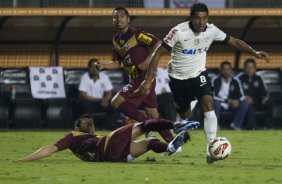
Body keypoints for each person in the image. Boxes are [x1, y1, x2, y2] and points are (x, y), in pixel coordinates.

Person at [138, 3, 270, 163]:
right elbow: (158, 53)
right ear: (191, 18)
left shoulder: (212, 30)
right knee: (184, 113)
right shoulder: (178, 31)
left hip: (199, 74)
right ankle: (181, 124)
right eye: (197, 18)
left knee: (208, 103)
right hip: (178, 79)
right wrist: (148, 79)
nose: (201, 22)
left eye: (204, 18)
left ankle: (210, 149)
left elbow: (234, 41)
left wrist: (254, 53)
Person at [95, 7, 175, 142]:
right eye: (115, 17)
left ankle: (146, 126)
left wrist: (147, 60)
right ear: (113, 20)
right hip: (135, 78)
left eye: (122, 16)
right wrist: (104, 66)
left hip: (144, 77)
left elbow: (159, 44)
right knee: (152, 113)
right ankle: (173, 142)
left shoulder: (137, 34)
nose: (118, 19)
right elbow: (118, 62)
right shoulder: (116, 40)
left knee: (116, 102)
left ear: (128, 19)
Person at [15, 114, 200, 163]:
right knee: (143, 125)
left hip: (113, 157)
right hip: (106, 146)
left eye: (90, 121)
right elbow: (51, 149)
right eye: (84, 121)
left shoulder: (90, 137)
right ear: (76, 127)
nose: (89, 122)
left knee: (150, 143)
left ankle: (168, 148)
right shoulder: (72, 137)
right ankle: (176, 125)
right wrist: (25, 159)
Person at [78, 58, 116, 129]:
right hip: (90, 102)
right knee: (86, 106)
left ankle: (108, 126)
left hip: (102, 102)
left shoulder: (104, 77)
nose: (94, 69)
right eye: (92, 67)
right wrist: (99, 100)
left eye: (96, 67)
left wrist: (106, 100)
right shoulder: (84, 77)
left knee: (116, 106)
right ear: (88, 68)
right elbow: (83, 95)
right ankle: (88, 127)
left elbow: (109, 93)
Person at [212, 61, 249, 130]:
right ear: (220, 70)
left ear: (231, 70)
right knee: (216, 103)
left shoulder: (235, 80)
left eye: (228, 69)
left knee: (244, 103)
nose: (226, 71)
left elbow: (241, 95)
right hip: (220, 102)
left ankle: (235, 125)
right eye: (224, 69)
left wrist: (237, 101)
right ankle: (215, 126)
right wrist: (228, 101)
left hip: (232, 103)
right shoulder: (215, 80)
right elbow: (213, 96)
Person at [237, 58, 272, 129]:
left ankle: (268, 126)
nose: (249, 70)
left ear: (255, 68)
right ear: (244, 68)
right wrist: (244, 98)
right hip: (245, 102)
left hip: (257, 101)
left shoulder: (259, 78)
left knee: (270, 103)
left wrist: (264, 97)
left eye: (251, 68)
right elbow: (236, 92)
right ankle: (253, 127)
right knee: (248, 105)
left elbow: (264, 92)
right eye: (247, 67)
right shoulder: (239, 77)